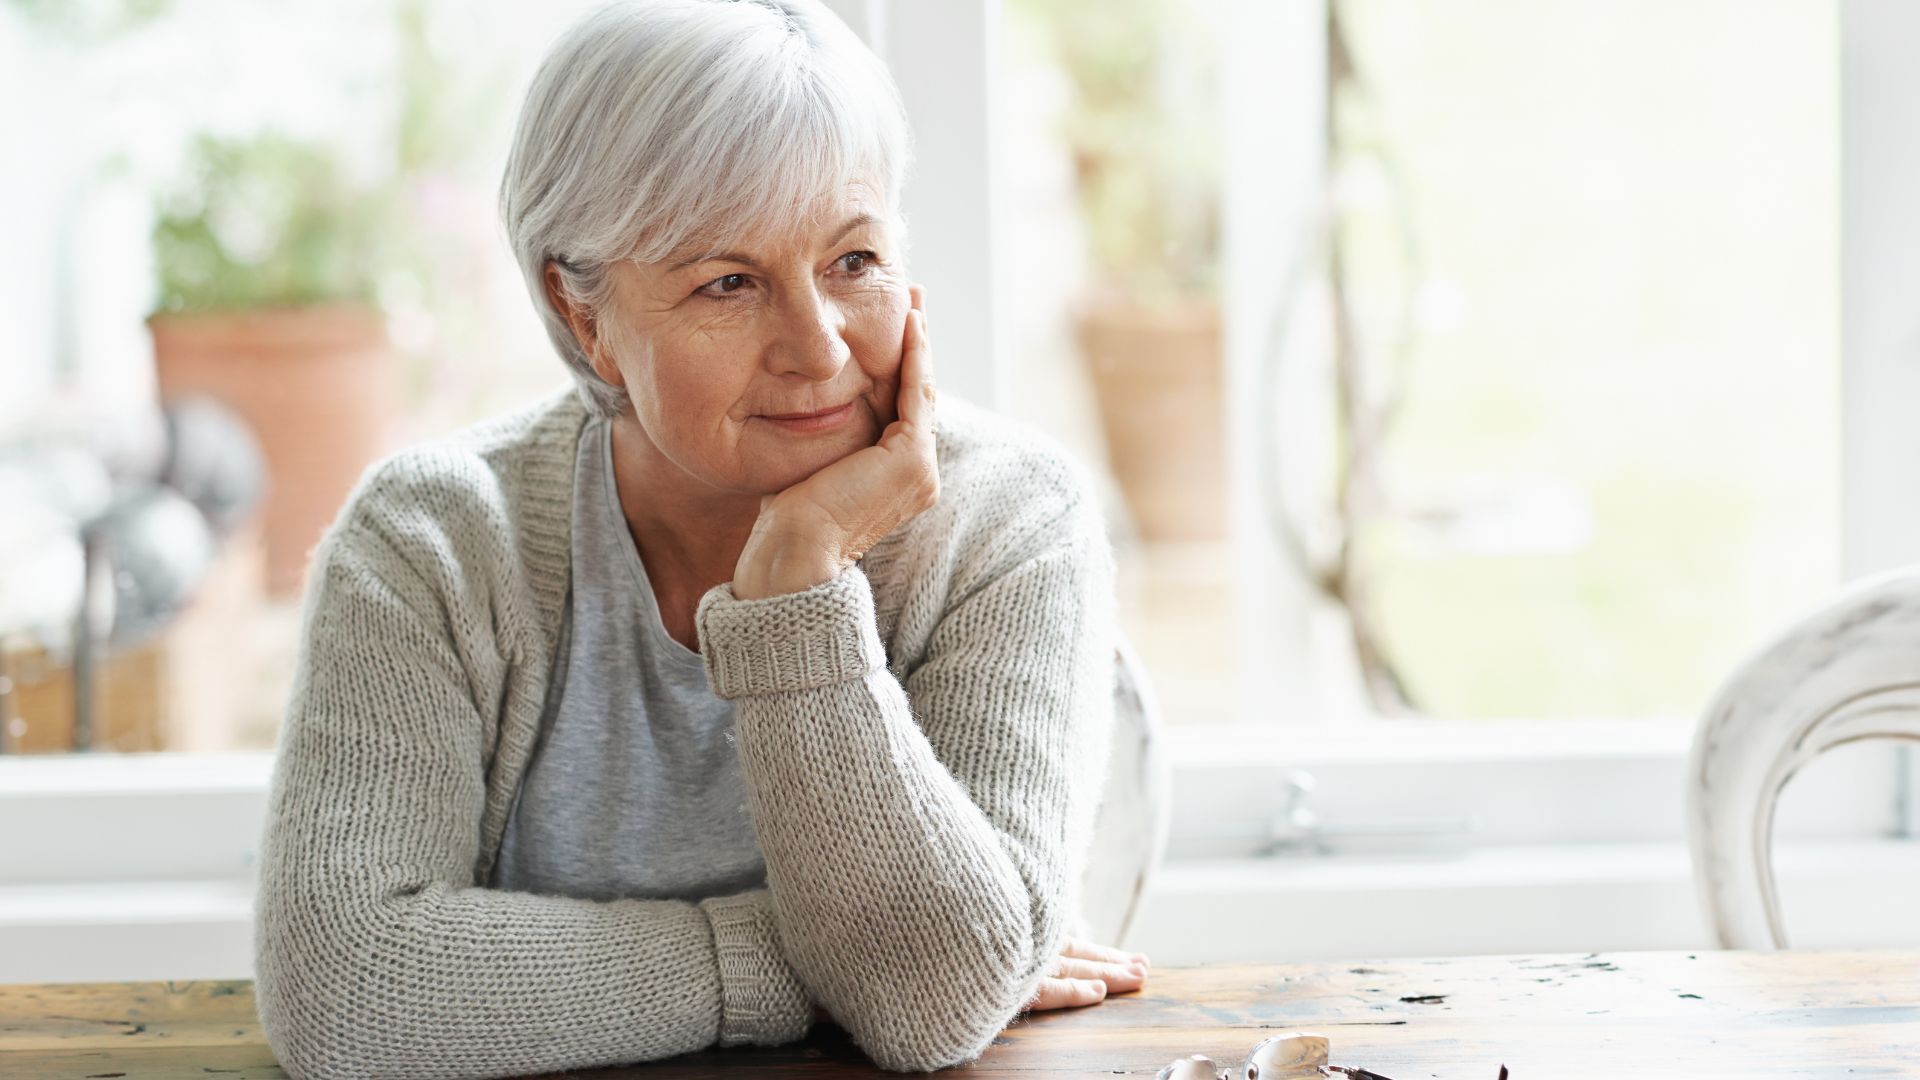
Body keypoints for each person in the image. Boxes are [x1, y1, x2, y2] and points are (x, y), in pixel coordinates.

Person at [251, 1, 1146, 1076]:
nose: (817, 348)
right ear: (585, 318)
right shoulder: (431, 542)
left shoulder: (1012, 519)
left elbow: (931, 1010)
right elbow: (346, 989)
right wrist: (807, 961)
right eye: (728, 281)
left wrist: (798, 583)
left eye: (854, 259)